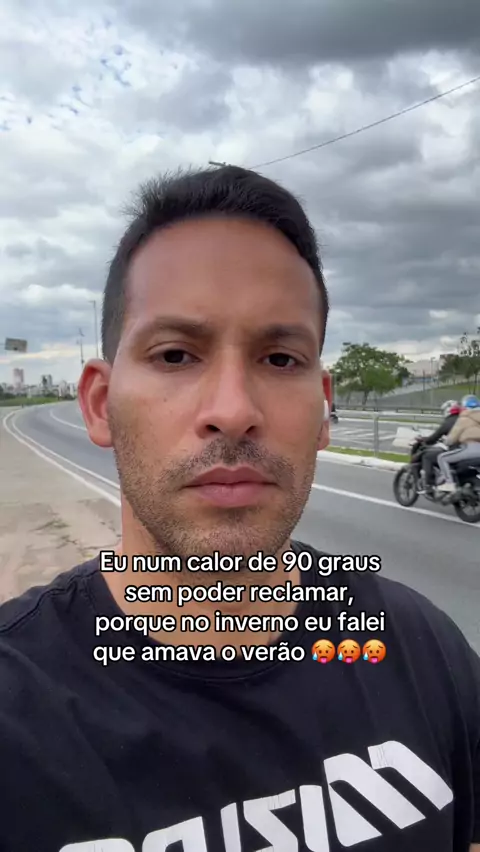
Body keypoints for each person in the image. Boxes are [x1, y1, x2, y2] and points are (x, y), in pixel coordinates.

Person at [0, 165, 480, 852]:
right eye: (175, 354)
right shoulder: (19, 710)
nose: (233, 410)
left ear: (323, 410)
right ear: (101, 405)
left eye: (280, 360)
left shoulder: (421, 648)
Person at [437, 394, 480, 493]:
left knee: (442, 458)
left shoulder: (464, 418)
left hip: (470, 448)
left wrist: (446, 442)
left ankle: (449, 483)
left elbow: (452, 438)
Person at [418, 400, 461, 494]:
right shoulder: (463, 419)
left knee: (427, 456)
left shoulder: (449, 421)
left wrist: (425, 441)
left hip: (456, 451)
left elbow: (435, 436)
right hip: (468, 450)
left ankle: (428, 484)